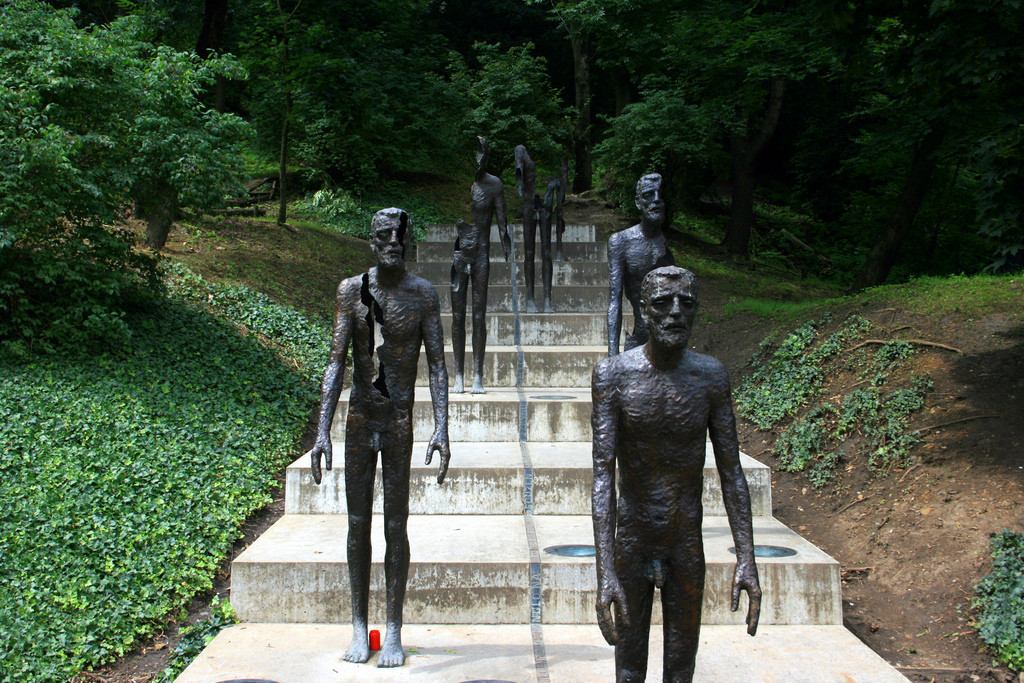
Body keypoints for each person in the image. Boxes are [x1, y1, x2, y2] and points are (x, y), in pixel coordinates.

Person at [591, 266, 761, 683]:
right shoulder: (613, 376)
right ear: (644, 310)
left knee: (682, 671)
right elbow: (602, 478)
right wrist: (605, 571)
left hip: (685, 540)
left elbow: (732, 472)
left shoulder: (710, 376)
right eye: (663, 303)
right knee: (629, 671)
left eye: (686, 303)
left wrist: (747, 557)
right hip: (633, 538)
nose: (675, 313)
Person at [309, 207, 451, 668]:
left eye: (399, 234)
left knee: (395, 525)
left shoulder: (423, 294)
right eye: (384, 234)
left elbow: (437, 366)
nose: (393, 241)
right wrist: (322, 430)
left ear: (408, 240)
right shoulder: (351, 291)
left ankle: (392, 629)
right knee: (356, 524)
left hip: (398, 422)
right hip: (360, 419)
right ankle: (357, 625)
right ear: (372, 240)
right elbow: (336, 361)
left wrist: (443, 426)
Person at [452, 136, 511, 393]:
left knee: (478, 315)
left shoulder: (494, 184)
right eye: (474, 154)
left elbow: (502, 221)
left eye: (480, 154)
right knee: (457, 316)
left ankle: (477, 375)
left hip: (482, 254)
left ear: (486, 156)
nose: (477, 159)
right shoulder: (471, 185)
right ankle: (458, 375)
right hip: (461, 252)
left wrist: (507, 248)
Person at [607, 173, 675, 356]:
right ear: (638, 202)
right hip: (640, 339)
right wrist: (612, 356)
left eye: (659, 194)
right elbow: (614, 300)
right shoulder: (621, 241)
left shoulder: (665, 250)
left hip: (667, 342)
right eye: (648, 195)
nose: (656, 200)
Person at [515, 144, 553, 313]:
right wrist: (520, 186)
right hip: (529, 204)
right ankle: (530, 299)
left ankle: (547, 300)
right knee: (529, 253)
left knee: (546, 254)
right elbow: (518, 169)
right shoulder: (520, 150)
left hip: (544, 206)